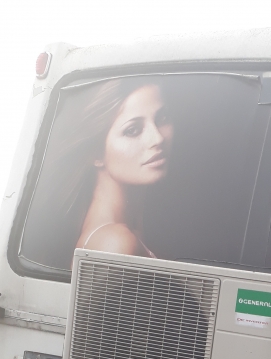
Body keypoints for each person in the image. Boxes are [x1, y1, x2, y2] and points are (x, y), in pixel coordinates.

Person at [29, 77, 174, 267]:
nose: (157, 138)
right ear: (96, 152)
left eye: (162, 118)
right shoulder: (115, 243)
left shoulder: (123, 232)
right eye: (133, 130)